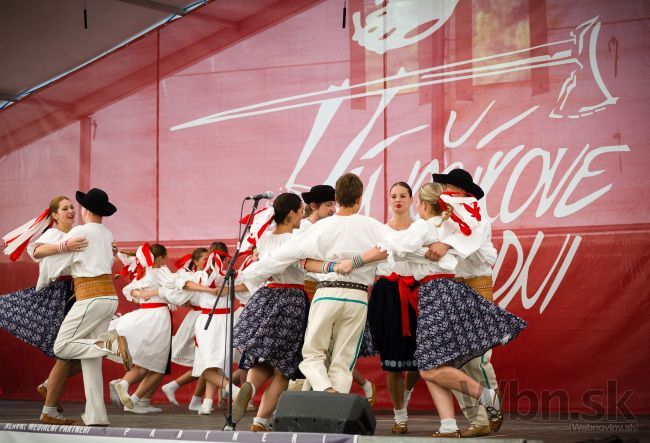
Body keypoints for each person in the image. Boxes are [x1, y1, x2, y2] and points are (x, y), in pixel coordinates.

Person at [336, 182, 527, 437]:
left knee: (428, 367)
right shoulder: (452, 227)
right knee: (432, 364)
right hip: (447, 291)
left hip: (436, 294)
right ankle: (448, 425)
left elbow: (390, 247)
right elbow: (480, 251)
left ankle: (486, 396)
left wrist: (354, 261)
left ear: (422, 205)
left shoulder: (423, 227)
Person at [243, 173, 389, 394]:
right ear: (360, 199)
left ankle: (323, 387)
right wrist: (356, 261)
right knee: (343, 360)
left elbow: (285, 256)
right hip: (358, 297)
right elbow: (397, 247)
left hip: (328, 293)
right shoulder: (374, 226)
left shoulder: (321, 227)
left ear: (337, 199)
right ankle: (335, 411)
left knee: (312, 354)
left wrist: (252, 274)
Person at [41, 188, 132, 426]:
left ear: (86, 209)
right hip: (108, 298)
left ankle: (109, 344)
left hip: (90, 297)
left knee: (62, 346)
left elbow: (48, 258)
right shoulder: (107, 233)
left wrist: (58, 249)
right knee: (90, 361)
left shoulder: (81, 231)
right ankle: (96, 416)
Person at [427, 168, 503, 437]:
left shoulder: (473, 210)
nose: (444, 191)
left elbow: (471, 237)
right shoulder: (446, 213)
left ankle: (491, 404)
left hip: (476, 284)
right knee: (456, 359)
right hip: (453, 286)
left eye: (448, 186)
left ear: (461, 190)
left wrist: (446, 244)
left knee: (479, 357)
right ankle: (478, 418)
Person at [1, 196, 87, 424]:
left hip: (78, 292)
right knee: (70, 354)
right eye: (65, 208)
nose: (71, 211)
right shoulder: (54, 235)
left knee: (85, 355)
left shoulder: (77, 233)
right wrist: (63, 246)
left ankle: (49, 389)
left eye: (72, 208)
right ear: (55, 215)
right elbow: (36, 251)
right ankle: (49, 408)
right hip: (60, 295)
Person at [231, 193, 308, 432]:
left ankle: (250, 388)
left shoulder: (263, 238)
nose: (303, 215)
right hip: (291, 298)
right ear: (292, 213)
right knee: (284, 369)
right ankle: (260, 421)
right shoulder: (298, 238)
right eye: (301, 211)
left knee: (263, 358)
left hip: (266, 296)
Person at [367, 182, 420, 433]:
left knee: (420, 359)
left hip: (416, 291)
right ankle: (400, 416)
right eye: (393, 196)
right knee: (392, 360)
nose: (398, 199)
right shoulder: (380, 230)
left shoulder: (421, 228)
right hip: (387, 293)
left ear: (411, 199)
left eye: (403, 195)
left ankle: (406, 394)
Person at [108, 243, 173, 414]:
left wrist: (142, 294)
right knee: (157, 363)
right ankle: (134, 398)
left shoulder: (143, 272)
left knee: (144, 360)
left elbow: (129, 290)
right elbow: (173, 291)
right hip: (158, 316)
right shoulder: (161, 272)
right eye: (165, 258)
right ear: (160, 258)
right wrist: (154, 293)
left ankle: (124, 384)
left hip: (143, 316)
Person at [160, 247, 211, 411]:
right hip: (199, 319)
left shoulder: (209, 275)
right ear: (195, 262)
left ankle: (192, 397)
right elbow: (176, 292)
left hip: (209, 318)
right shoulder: (190, 277)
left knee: (206, 363)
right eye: (204, 259)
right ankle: (194, 397)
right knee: (206, 363)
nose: (208, 261)